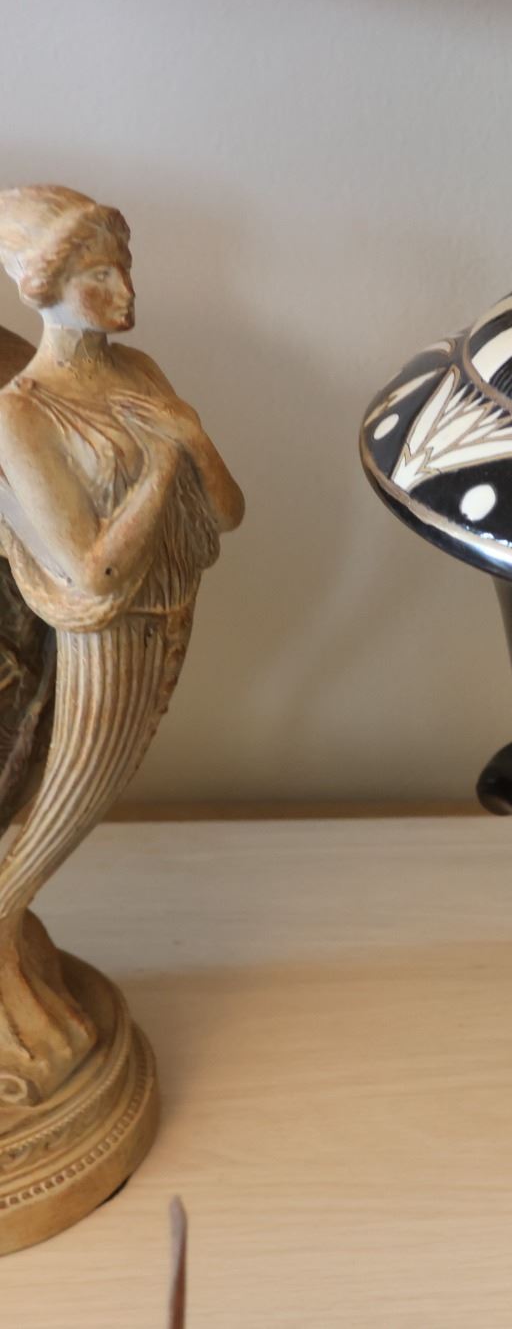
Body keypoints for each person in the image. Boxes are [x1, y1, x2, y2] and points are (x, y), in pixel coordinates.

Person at [0, 185, 241, 1107]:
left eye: (124, 269)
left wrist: (191, 439)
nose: (123, 292)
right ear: (43, 287)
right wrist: (167, 459)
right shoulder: (22, 412)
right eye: (97, 276)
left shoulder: (139, 371)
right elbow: (94, 570)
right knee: (61, 807)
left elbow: (228, 512)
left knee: (81, 807)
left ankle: (10, 948)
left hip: (169, 617)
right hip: (103, 643)